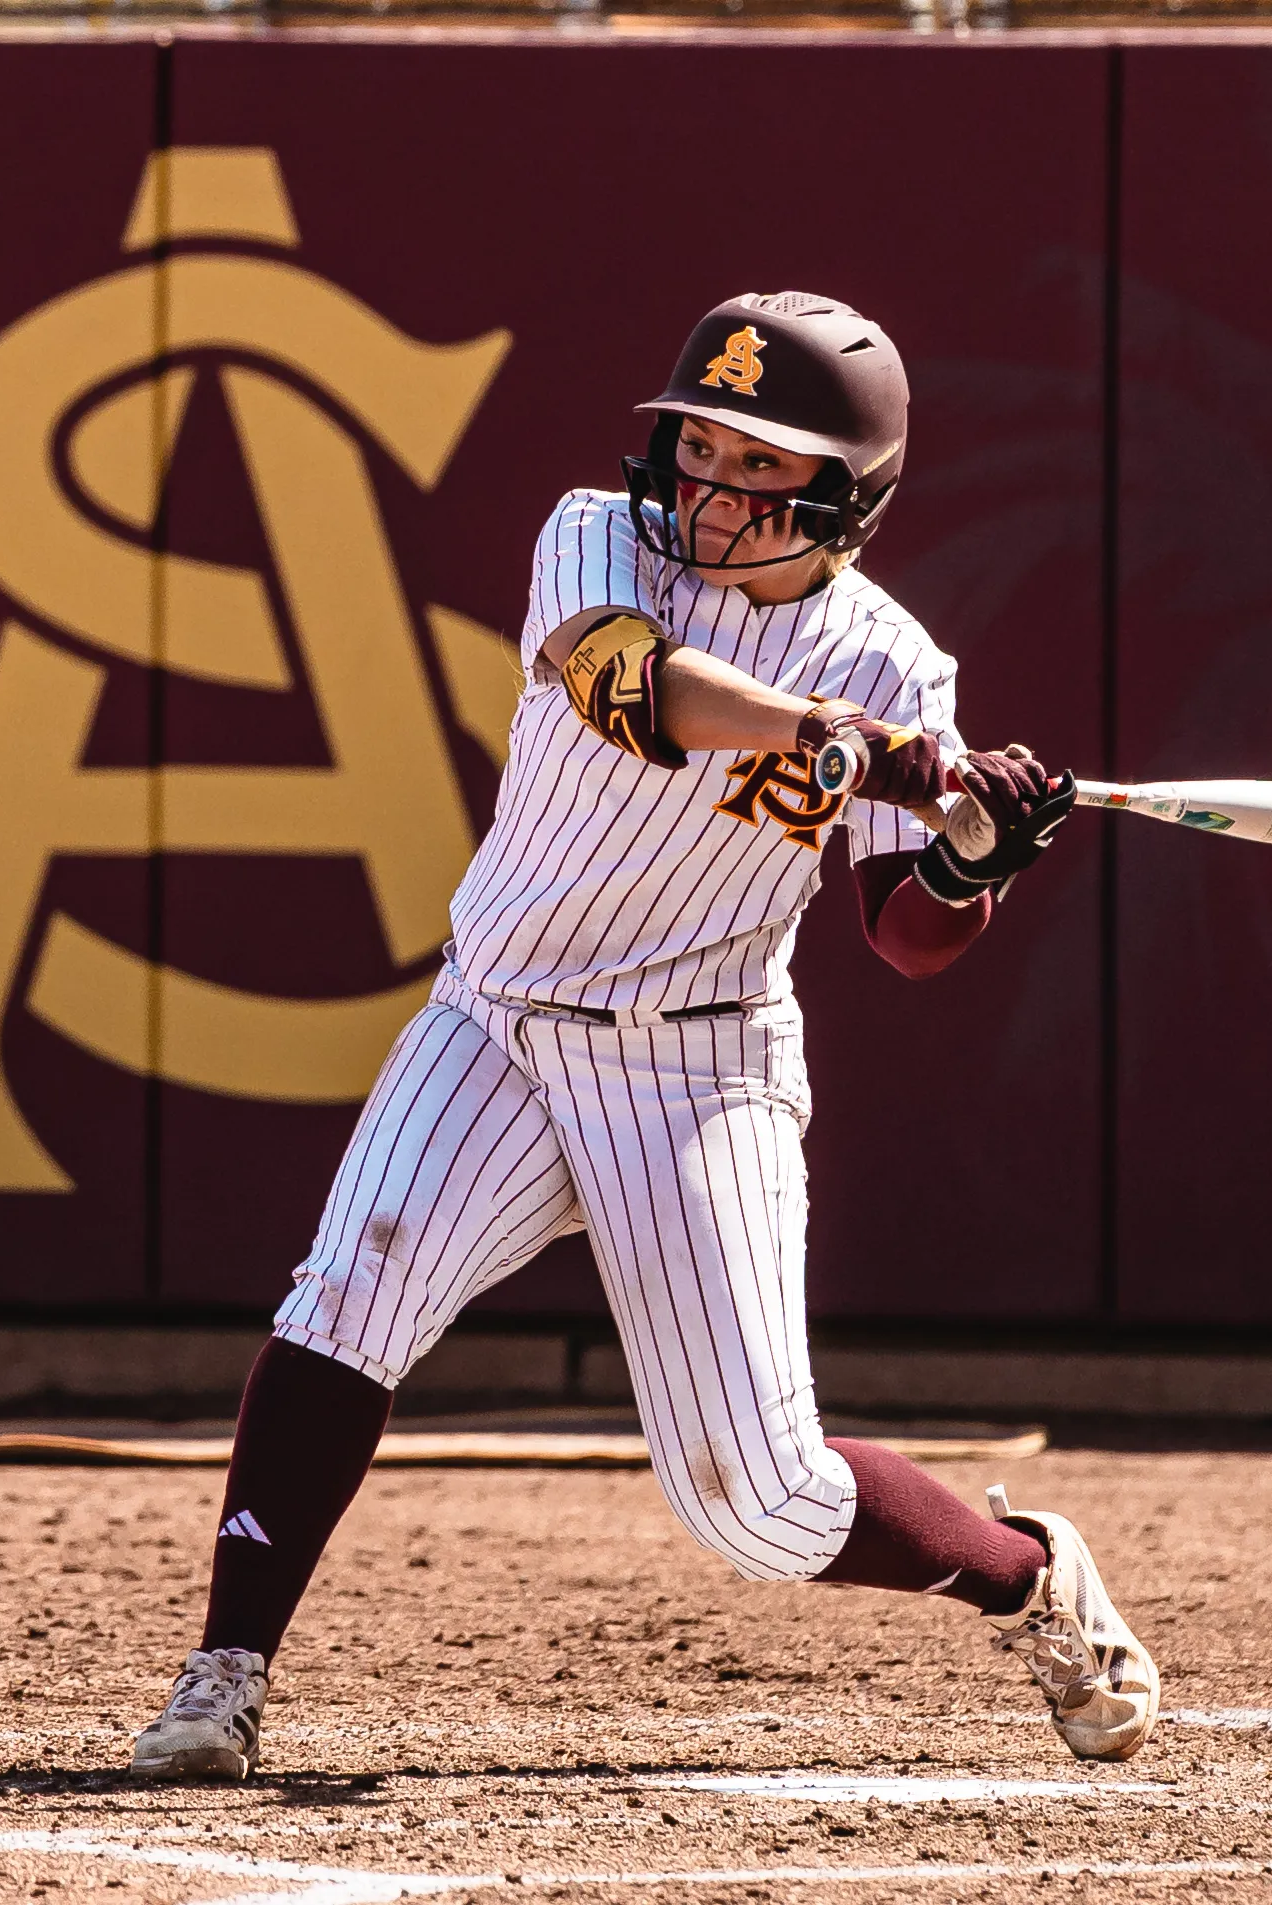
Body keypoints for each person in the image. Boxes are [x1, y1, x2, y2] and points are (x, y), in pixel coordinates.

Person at [128, 291, 1156, 1782]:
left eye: (761, 472)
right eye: (698, 454)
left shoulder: (893, 665)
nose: (713, 496)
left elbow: (905, 935)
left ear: (844, 498)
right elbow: (634, 693)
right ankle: (224, 1673)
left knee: (757, 1508)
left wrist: (973, 857)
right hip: (495, 1016)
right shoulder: (590, 540)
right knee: (347, 1292)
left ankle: (1020, 1572)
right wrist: (851, 748)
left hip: (696, 1067)